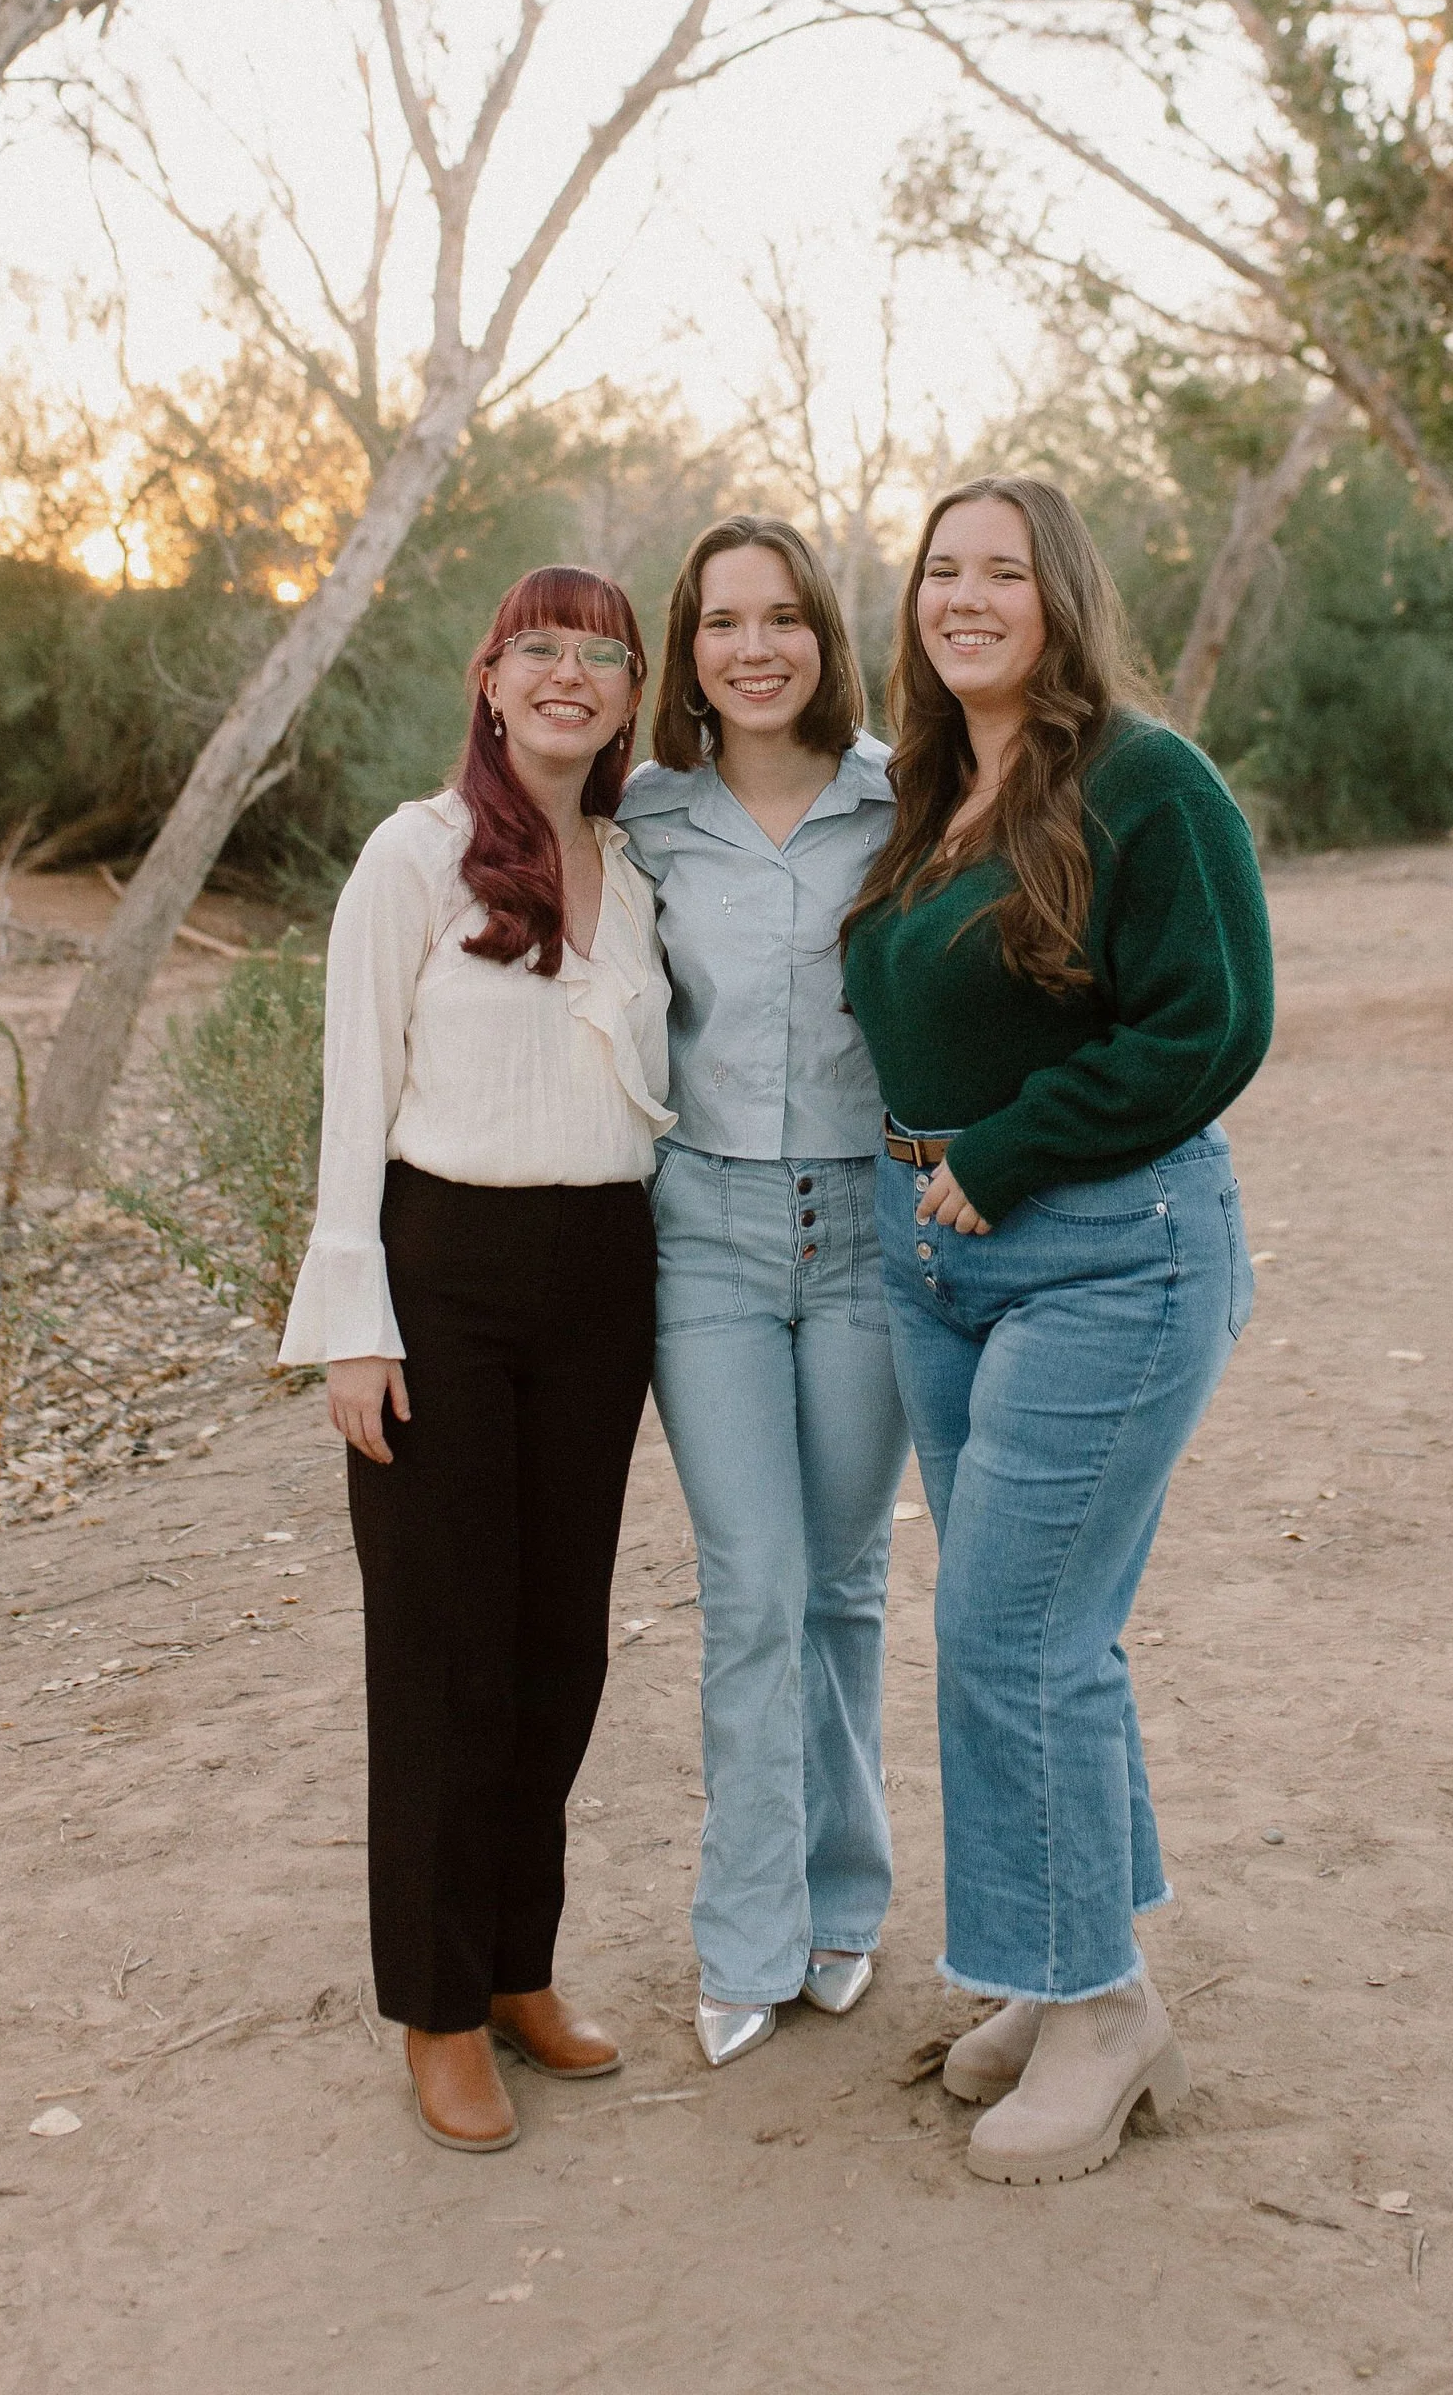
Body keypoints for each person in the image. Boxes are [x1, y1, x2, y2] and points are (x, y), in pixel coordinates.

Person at [840, 477, 1273, 2187]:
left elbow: (1214, 1023)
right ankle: (1057, 1961)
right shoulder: (933, 792)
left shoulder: (1146, 783)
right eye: (941, 572)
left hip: (1109, 1250)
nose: (965, 598)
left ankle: (1100, 2016)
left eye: (1000, 572)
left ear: (1059, 596)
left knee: (1015, 1632)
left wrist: (1009, 1155)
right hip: (938, 1260)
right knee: (1036, 1632)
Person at [278, 566, 673, 2155]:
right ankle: (435, 2013)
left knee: (558, 1646)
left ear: (634, 692)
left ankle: (519, 1969)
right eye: (542, 651)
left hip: (605, 1281)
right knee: (445, 1656)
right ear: (489, 676)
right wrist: (354, 1327)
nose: (572, 676)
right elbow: (352, 1098)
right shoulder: (415, 856)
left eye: (604, 655)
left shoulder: (642, 866)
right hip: (445, 1276)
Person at [622, 516, 908, 2067]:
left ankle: (845, 1899)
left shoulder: (903, 799)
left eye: (783, 618)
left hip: (868, 1232)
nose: (753, 647)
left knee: (846, 1586)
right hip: (708, 1239)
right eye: (723, 621)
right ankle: (745, 1932)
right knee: (753, 1590)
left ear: (823, 636)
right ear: (690, 648)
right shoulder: (647, 816)